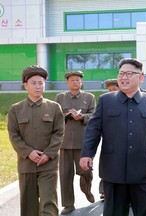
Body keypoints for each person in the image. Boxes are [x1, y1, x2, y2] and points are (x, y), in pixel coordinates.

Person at [80, 58, 146, 216]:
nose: (124, 77)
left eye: (129, 74)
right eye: (121, 73)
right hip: (114, 169)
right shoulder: (106, 101)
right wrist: (87, 153)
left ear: (141, 77)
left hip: (145, 169)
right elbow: (93, 129)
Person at [7, 65, 64, 216]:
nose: (38, 86)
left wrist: (48, 154)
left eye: (41, 83)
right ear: (25, 85)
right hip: (26, 164)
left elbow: (59, 133)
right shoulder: (16, 109)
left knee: (48, 203)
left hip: (49, 164)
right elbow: (13, 135)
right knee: (28, 207)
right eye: (33, 83)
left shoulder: (54, 107)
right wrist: (29, 152)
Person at [55, 70, 96, 214]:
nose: (75, 82)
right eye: (72, 80)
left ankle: (87, 190)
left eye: (77, 80)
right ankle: (68, 204)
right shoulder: (60, 97)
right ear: (67, 83)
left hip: (83, 141)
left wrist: (82, 116)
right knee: (65, 175)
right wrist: (67, 114)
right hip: (64, 142)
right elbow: (56, 116)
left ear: (81, 82)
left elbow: (94, 116)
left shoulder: (89, 97)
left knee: (86, 172)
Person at [98, 78, 120, 200]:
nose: (111, 91)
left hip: (122, 140)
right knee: (106, 167)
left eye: (114, 89)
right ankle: (103, 191)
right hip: (109, 140)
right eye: (109, 89)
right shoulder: (104, 101)